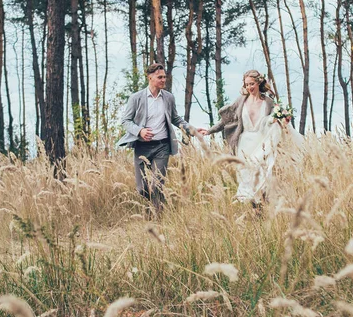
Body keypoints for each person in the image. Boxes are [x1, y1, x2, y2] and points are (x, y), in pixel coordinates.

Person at [201, 70, 303, 204]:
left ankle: (262, 206)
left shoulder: (268, 102)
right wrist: (209, 131)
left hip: (263, 144)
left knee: (263, 176)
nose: (249, 87)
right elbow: (225, 120)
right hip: (245, 146)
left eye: (252, 84)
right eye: (247, 84)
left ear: (258, 83)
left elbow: (278, 120)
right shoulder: (241, 101)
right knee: (247, 178)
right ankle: (252, 208)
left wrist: (284, 118)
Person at [118, 63, 204, 213]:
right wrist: (140, 131)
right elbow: (126, 121)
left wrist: (193, 131)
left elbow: (176, 119)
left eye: (165, 77)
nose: (164, 80)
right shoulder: (136, 98)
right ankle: (152, 209)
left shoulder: (168, 97)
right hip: (142, 146)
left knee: (157, 185)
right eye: (160, 77)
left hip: (162, 146)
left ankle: (157, 219)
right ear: (150, 77)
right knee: (142, 189)